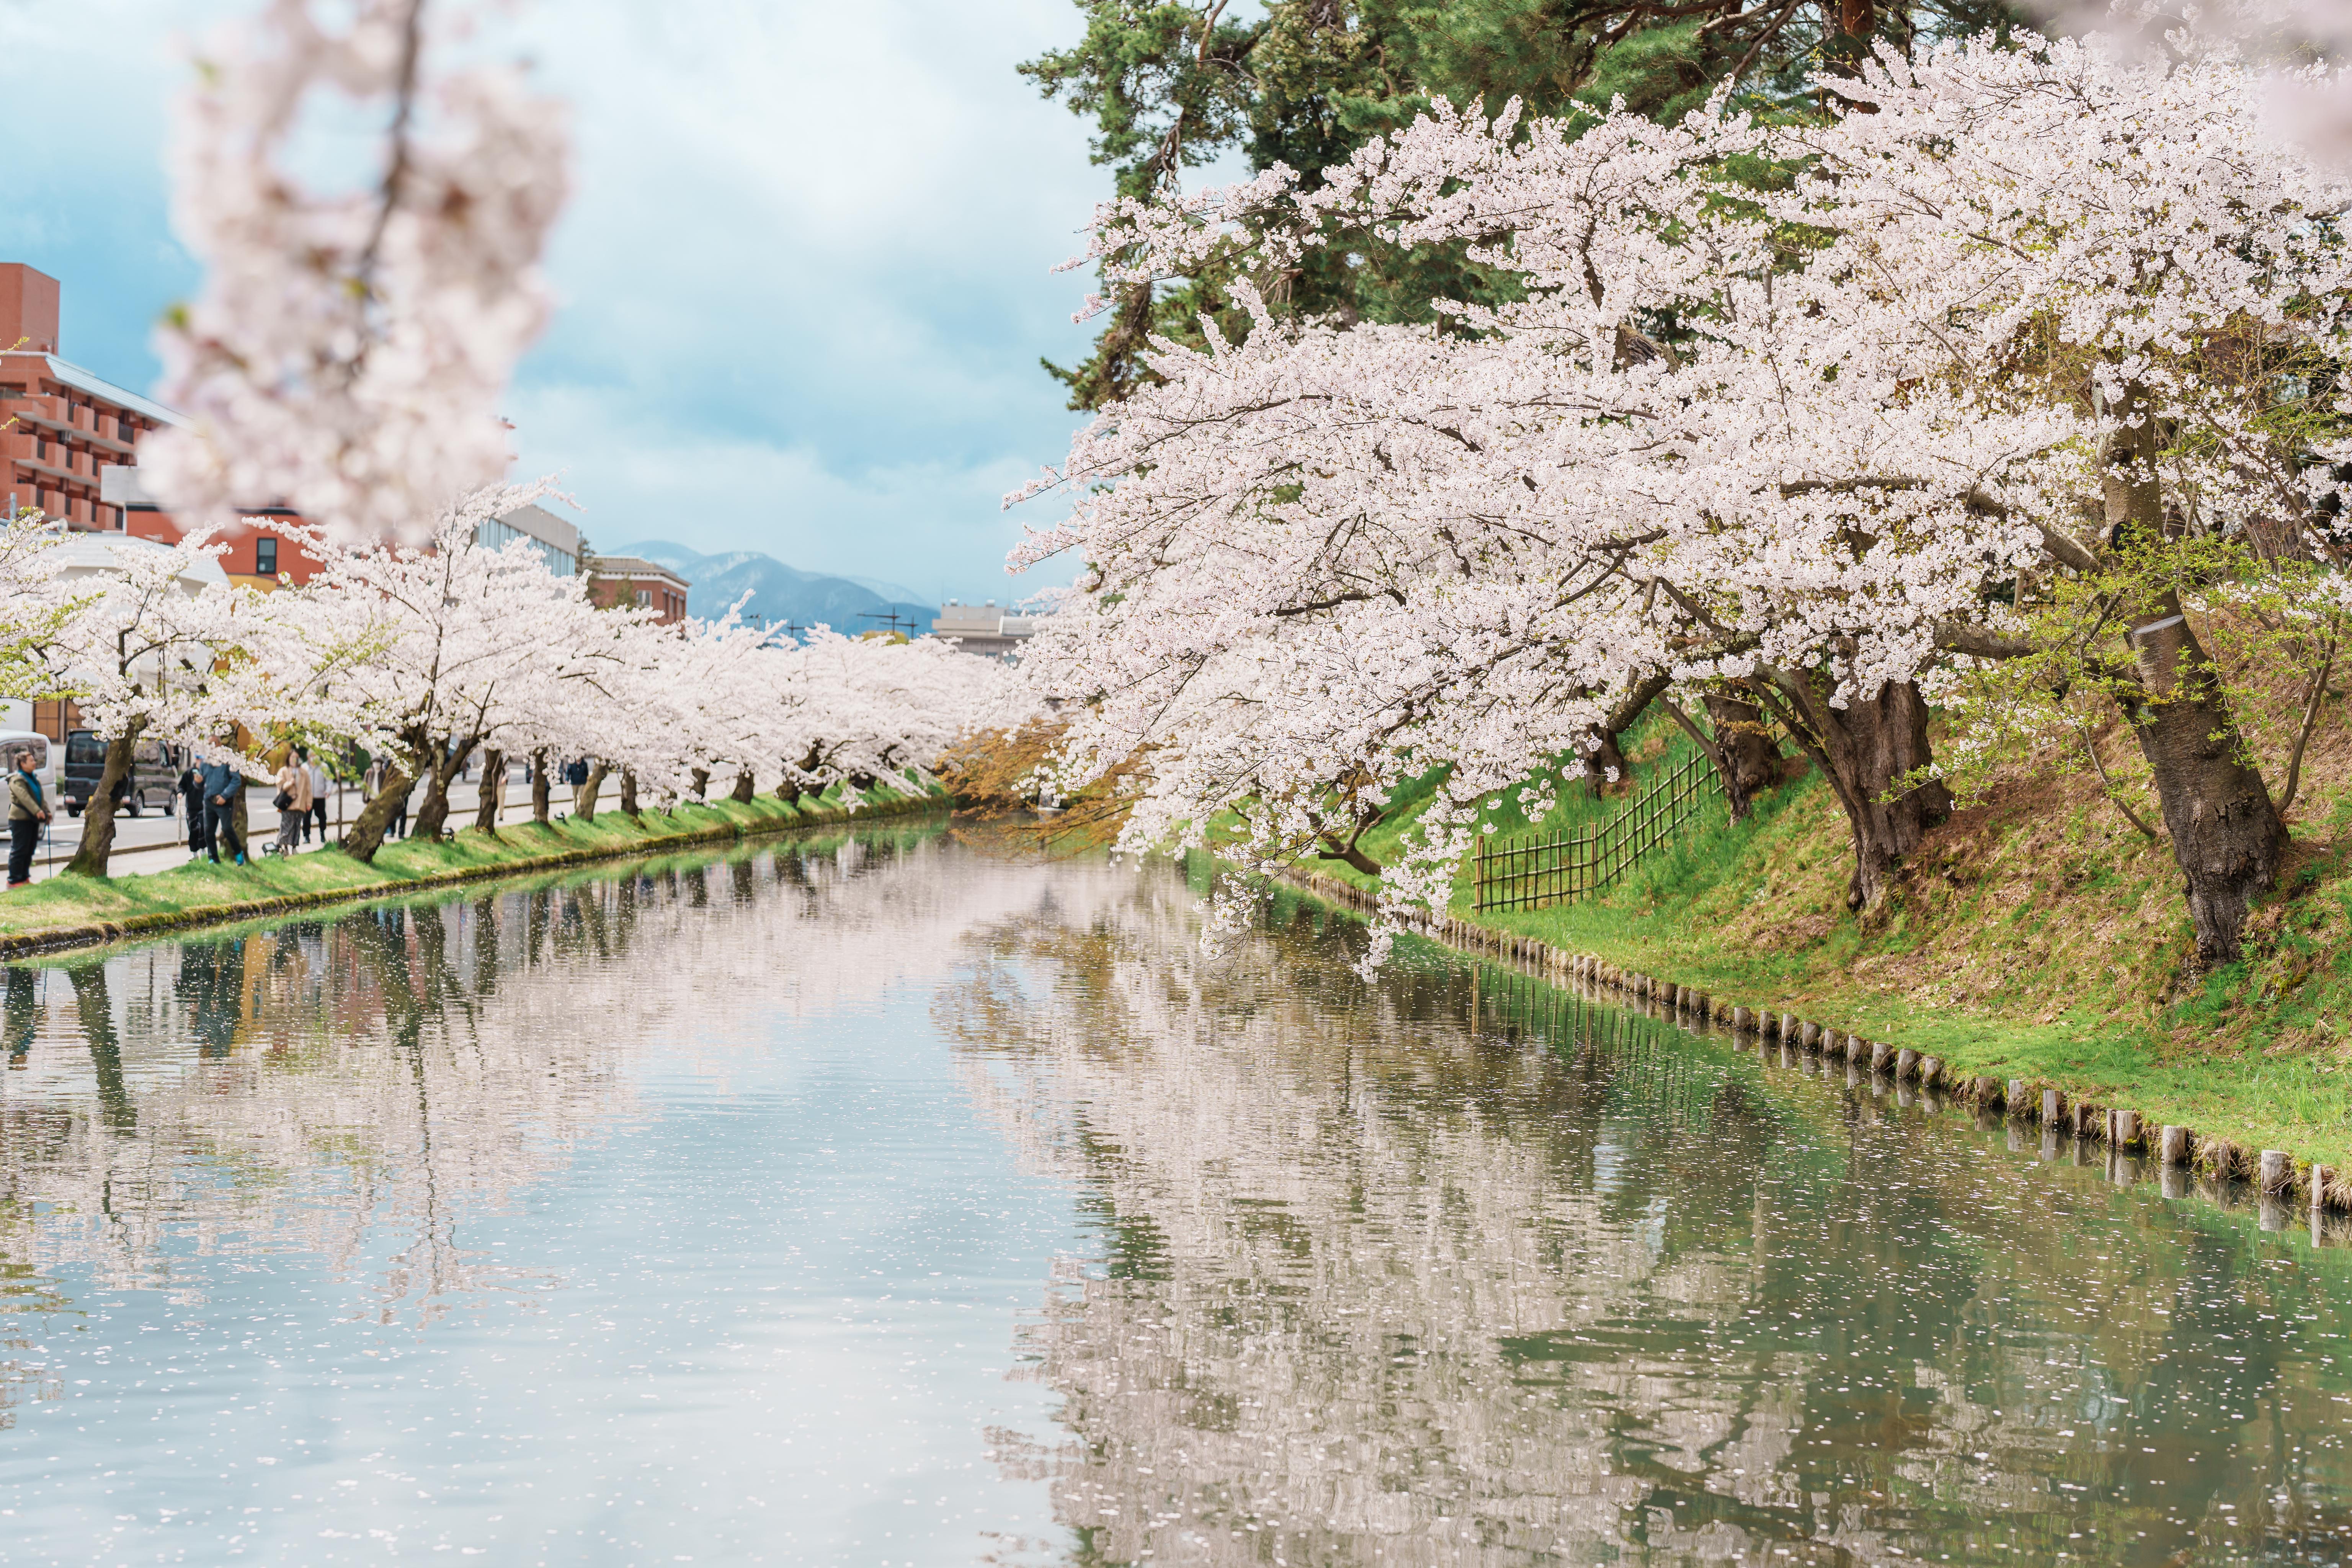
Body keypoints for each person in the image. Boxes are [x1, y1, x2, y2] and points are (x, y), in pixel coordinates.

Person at [7, 750, 50, 888]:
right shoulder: (17, 779)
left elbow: (40, 798)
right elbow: (24, 797)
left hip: (32, 819)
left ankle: (24, 878)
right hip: (20, 819)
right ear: (23, 764)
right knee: (20, 849)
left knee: (30, 849)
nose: (34, 763)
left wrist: (46, 811)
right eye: (31, 761)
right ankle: (13, 880)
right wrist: (37, 811)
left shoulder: (34, 778)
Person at [199, 756, 246, 866]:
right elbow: (201, 782)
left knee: (227, 828)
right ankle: (214, 859)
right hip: (209, 800)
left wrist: (225, 796)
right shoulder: (205, 762)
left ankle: (239, 853)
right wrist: (197, 782)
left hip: (224, 801)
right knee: (208, 830)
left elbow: (236, 781)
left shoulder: (229, 760)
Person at [273, 754, 311, 855]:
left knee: (297, 827)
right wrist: (290, 783)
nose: (295, 759)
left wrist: (309, 803)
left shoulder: (304, 773)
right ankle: (283, 847)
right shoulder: (283, 771)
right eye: (292, 757)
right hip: (288, 805)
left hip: (300, 804)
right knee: (286, 826)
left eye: (297, 757)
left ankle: (294, 848)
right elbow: (280, 786)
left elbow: (309, 789)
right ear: (288, 758)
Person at [179, 762, 209, 854]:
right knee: (193, 829)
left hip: (204, 806)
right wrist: (181, 793)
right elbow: (182, 785)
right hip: (191, 807)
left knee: (202, 828)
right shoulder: (189, 773)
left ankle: (203, 849)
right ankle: (194, 852)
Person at [308, 753, 330, 843]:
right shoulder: (305, 767)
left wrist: (328, 790)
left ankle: (322, 834)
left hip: (320, 796)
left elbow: (329, 780)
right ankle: (306, 836)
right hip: (308, 797)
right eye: (312, 755)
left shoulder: (324, 767)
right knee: (306, 817)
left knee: (322, 816)